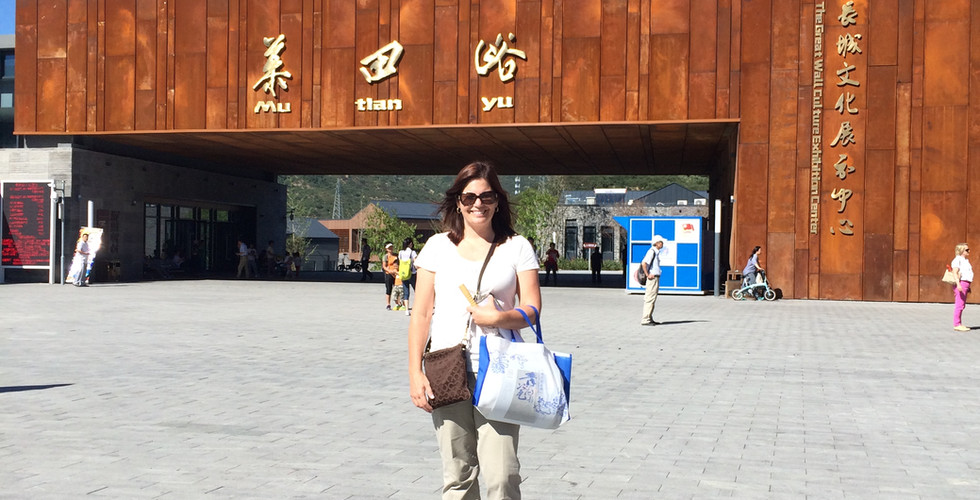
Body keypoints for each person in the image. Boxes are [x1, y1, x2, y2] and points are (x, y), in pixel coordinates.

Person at [408, 161, 541, 499]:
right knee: (458, 476)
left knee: (502, 476)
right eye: (469, 197)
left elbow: (532, 309)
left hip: (500, 370)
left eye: (487, 196)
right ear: (458, 202)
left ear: (498, 201)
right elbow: (421, 314)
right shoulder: (437, 247)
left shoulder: (517, 247)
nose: (478, 204)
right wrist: (414, 373)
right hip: (446, 369)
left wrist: (497, 319)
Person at [640, 236, 665, 325]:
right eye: (661, 242)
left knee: (652, 298)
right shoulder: (652, 252)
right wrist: (647, 274)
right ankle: (646, 319)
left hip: (655, 277)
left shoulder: (656, 252)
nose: (662, 243)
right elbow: (644, 263)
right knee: (650, 298)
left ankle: (649, 317)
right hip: (652, 278)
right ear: (656, 243)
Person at [952, 243, 972, 331]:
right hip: (961, 283)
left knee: (962, 305)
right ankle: (957, 324)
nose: (969, 251)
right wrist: (958, 284)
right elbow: (954, 272)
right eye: (967, 250)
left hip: (965, 283)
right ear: (961, 251)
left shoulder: (965, 260)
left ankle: (959, 323)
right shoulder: (957, 260)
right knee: (959, 304)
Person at [398, 237, 418, 316]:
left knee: (406, 292)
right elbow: (416, 263)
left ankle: (406, 310)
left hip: (403, 274)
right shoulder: (413, 252)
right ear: (410, 244)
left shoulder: (401, 252)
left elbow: (400, 262)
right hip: (412, 273)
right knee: (417, 291)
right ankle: (417, 308)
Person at [383, 242, 398, 310]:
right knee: (389, 289)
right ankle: (388, 304)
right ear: (386, 249)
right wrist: (389, 271)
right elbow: (384, 266)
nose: (391, 249)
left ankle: (398, 303)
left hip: (396, 274)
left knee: (397, 289)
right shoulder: (385, 256)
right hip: (389, 274)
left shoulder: (396, 255)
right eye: (389, 248)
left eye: (391, 247)